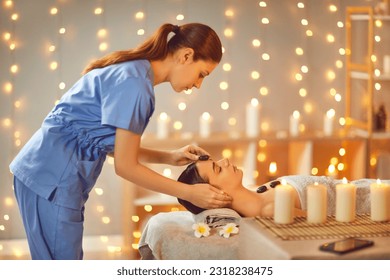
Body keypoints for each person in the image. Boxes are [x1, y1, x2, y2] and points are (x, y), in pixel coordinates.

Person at [9, 23, 232, 260]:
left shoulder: (134, 72)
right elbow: (125, 167)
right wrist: (189, 193)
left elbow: (108, 144)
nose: (198, 84)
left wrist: (168, 156)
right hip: (51, 178)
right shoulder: (136, 87)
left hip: (43, 173)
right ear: (187, 55)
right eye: (202, 74)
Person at [177, 158, 385, 217]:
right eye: (217, 169)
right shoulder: (269, 210)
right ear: (213, 193)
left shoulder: (259, 192)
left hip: (369, 187)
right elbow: (325, 227)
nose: (224, 160)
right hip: (376, 206)